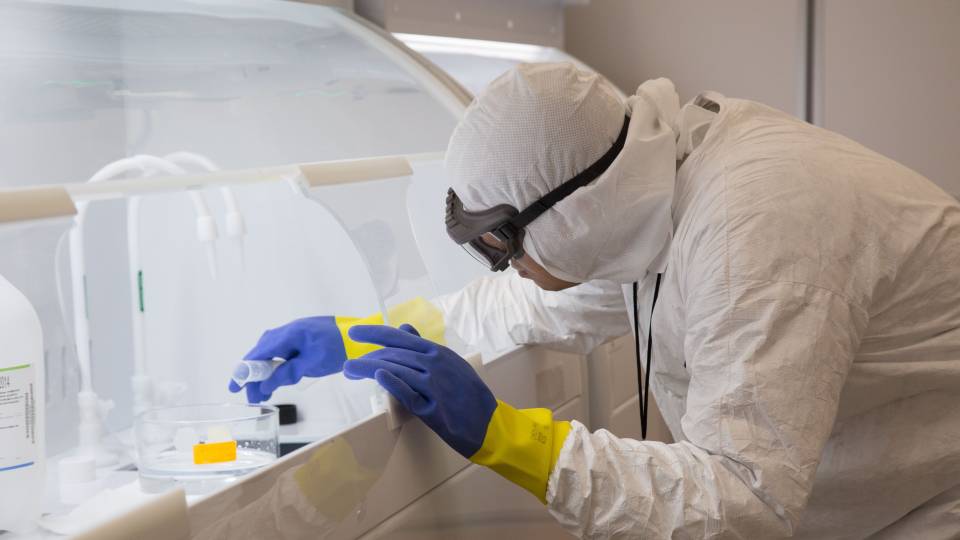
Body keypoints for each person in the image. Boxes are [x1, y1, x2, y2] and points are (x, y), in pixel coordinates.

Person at [232, 63, 960, 539]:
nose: (507, 265)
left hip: (929, 508)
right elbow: (534, 306)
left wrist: (510, 439)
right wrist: (368, 333)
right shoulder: (660, 190)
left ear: (577, 209)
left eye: (503, 241)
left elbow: (743, 501)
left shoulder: (754, 231)